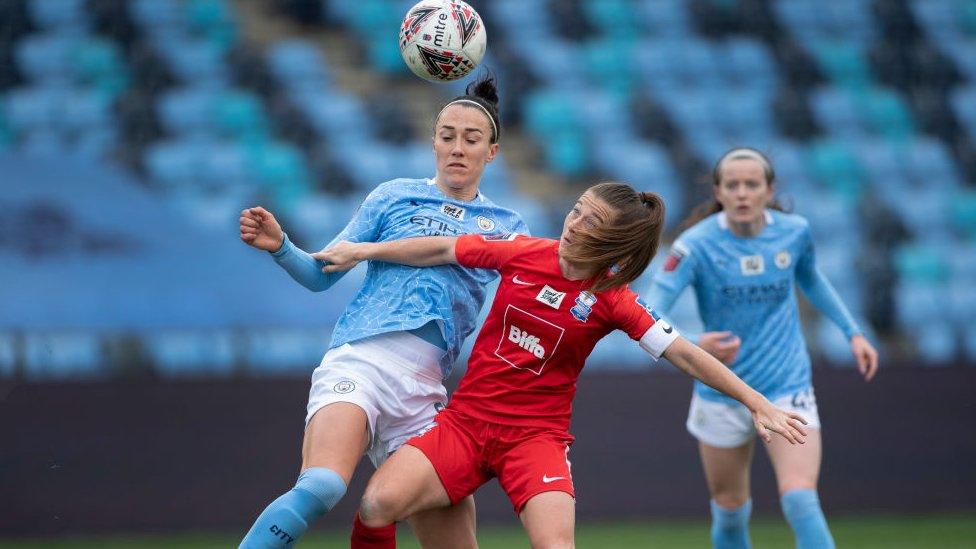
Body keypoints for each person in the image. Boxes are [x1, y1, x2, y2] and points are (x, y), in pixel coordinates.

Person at [315, 182, 809, 549]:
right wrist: (364, 249)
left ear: (613, 242)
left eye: (591, 221)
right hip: (465, 425)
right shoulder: (526, 253)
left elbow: (681, 349)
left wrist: (756, 401)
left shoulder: (612, 299)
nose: (575, 223)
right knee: (377, 506)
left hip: (535, 440)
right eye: (577, 211)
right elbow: (445, 247)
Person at [236, 74, 528, 548]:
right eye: (447, 136)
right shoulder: (393, 195)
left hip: (424, 391)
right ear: (433, 142)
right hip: (361, 361)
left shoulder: (506, 225)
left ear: (491, 151)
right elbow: (320, 274)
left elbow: (453, 254)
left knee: (453, 537)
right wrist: (282, 247)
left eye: (471, 139)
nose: (457, 147)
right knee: (324, 484)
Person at [645, 148, 880, 549]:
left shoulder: (794, 232)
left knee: (801, 498)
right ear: (718, 191)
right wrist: (694, 342)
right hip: (722, 392)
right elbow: (651, 308)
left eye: (751, 184)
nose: (742, 193)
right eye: (732, 185)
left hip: (786, 385)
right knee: (731, 508)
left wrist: (852, 332)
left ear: (769, 190)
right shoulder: (693, 246)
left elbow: (812, 279)